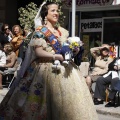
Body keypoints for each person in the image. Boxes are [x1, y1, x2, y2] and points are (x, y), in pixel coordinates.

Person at [0, 1, 98, 120]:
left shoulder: (62, 31)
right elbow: (38, 52)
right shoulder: (40, 31)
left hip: (65, 69)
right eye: (53, 11)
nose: (56, 13)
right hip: (44, 68)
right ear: (45, 14)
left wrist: (74, 50)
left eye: (57, 11)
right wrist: (56, 56)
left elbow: (65, 49)